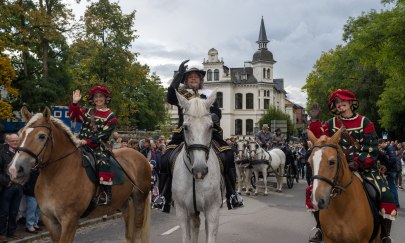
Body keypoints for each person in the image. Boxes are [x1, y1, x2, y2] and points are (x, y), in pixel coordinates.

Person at [307, 89, 397, 243]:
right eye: (336, 102)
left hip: (363, 168)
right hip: (336, 168)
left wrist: (357, 161)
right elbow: (320, 142)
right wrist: (314, 122)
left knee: (386, 194)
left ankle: (384, 235)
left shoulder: (365, 122)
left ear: (351, 103)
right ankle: (320, 229)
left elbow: (372, 148)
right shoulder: (330, 123)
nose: (340, 104)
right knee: (311, 192)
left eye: (343, 101)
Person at [156, 60, 243, 213]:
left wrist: (215, 116)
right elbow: (169, 96)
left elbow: (217, 111)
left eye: (196, 76)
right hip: (185, 134)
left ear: (201, 79)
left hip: (207, 133)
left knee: (228, 155)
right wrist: (178, 74)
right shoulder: (181, 95)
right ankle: (164, 196)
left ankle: (232, 194)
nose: (194, 78)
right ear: (185, 79)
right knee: (165, 159)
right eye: (190, 76)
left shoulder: (208, 94)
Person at [68, 86, 118, 206]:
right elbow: (73, 116)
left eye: (101, 96)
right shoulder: (87, 111)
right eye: (96, 97)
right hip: (80, 143)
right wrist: (75, 103)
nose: (98, 99)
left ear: (106, 99)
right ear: (93, 99)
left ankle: (105, 194)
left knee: (102, 162)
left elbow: (104, 134)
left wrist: (88, 141)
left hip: (98, 145)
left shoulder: (111, 116)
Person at [0, 133, 23, 240]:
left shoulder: (21, 153)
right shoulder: (2, 153)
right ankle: (2, 233)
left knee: (14, 211)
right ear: (8, 142)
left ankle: (11, 232)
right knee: (4, 211)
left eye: (17, 140)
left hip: (19, 186)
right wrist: (6, 182)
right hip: (7, 187)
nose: (15, 142)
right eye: (13, 141)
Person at [378, 139, 400, 208]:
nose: (380, 147)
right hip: (390, 170)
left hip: (391, 170)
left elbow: (392, 160)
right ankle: (394, 202)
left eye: (380, 145)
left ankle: (396, 203)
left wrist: (386, 166)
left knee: (392, 186)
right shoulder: (387, 148)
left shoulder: (390, 148)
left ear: (383, 143)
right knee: (391, 186)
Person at [23, 168, 41, 234]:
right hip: (31, 191)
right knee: (31, 209)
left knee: (37, 209)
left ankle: (35, 224)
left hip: (38, 192)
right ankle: (29, 226)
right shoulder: (30, 169)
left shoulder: (39, 169)